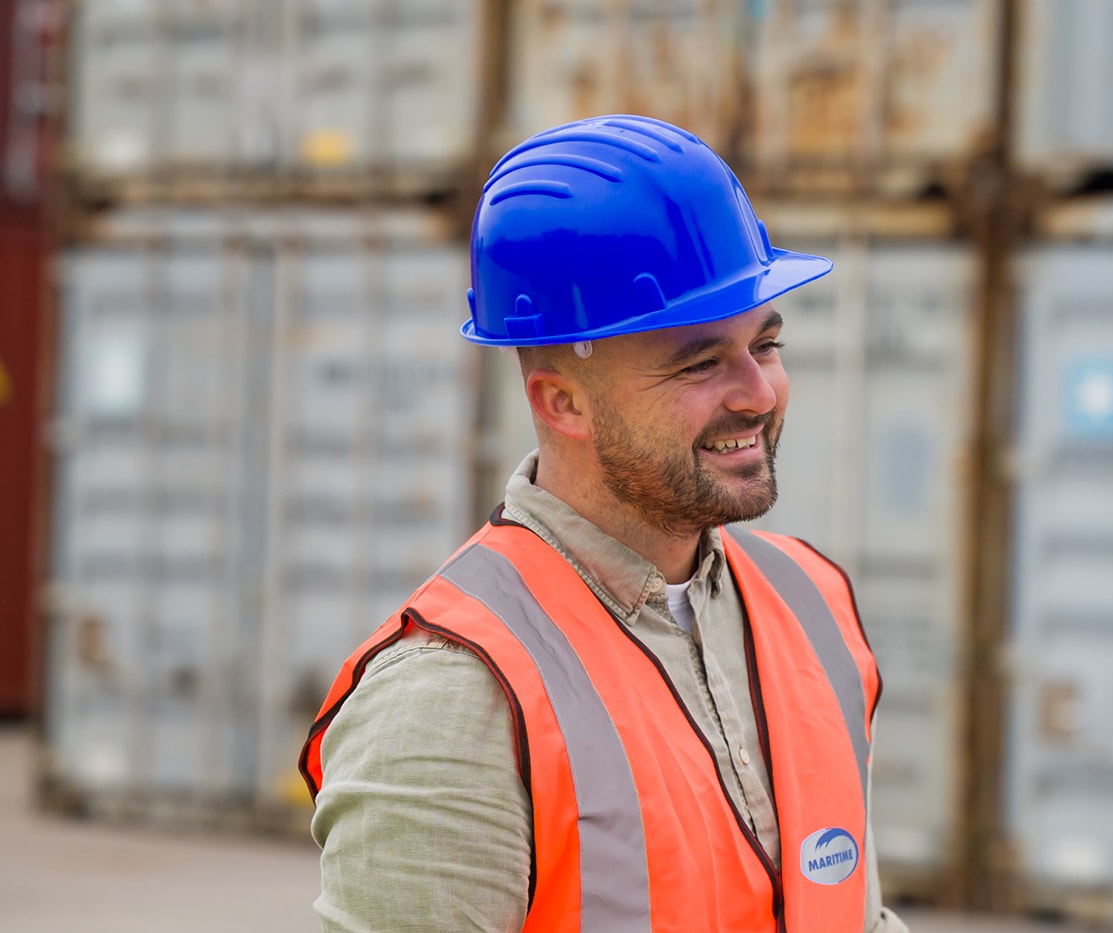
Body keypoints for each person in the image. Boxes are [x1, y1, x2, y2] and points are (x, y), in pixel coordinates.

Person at [299, 114, 908, 933]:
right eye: (700, 362)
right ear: (563, 401)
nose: (759, 394)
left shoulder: (813, 603)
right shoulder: (455, 693)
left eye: (765, 344)